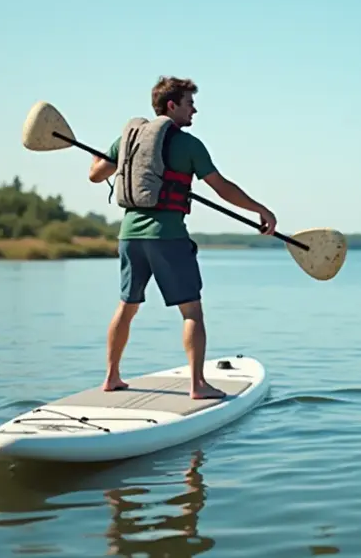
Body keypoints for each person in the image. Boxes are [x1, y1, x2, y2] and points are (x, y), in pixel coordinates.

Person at [87, 75, 277, 400]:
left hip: (129, 236)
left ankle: (112, 377)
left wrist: (120, 158)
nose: (195, 110)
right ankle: (198, 385)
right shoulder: (189, 144)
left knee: (127, 306)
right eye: (190, 103)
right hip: (168, 237)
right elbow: (222, 188)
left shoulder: (128, 140)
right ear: (172, 105)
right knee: (192, 312)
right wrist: (260, 210)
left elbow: (95, 174)